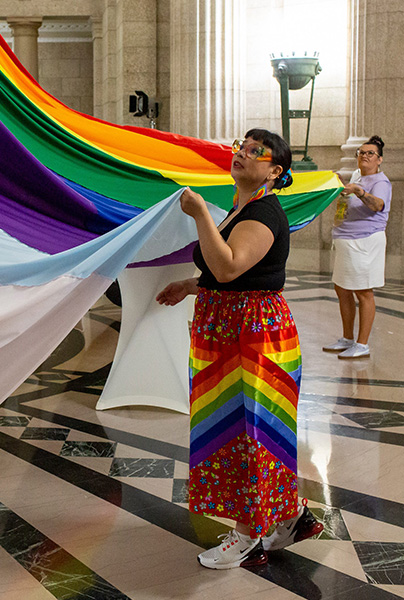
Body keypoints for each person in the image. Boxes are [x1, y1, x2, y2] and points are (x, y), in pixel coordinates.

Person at [156, 129, 323, 569]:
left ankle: (247, 537)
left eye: (256, 152)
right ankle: (291, 517)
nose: (242, 155)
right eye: (241, 148)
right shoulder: (240, 209)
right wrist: (191, 286)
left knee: (249, 431)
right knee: (241, 428)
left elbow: (229, 268)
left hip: (252, 335)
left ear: (275, 171)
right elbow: (233, 272)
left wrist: (197, 215)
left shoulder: (264, 213)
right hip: (231, 329)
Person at [322, 135, 391, 359]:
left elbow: (377, 205)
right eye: (361, 152)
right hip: (346, 239)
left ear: (379, 159)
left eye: (370, 153)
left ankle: (362, 344)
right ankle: (347, 338)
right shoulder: (357, 176)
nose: (364, 156)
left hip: (365, 241)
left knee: (363, 291)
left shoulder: (381, 182)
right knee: (342, 288)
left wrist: (360, 192)